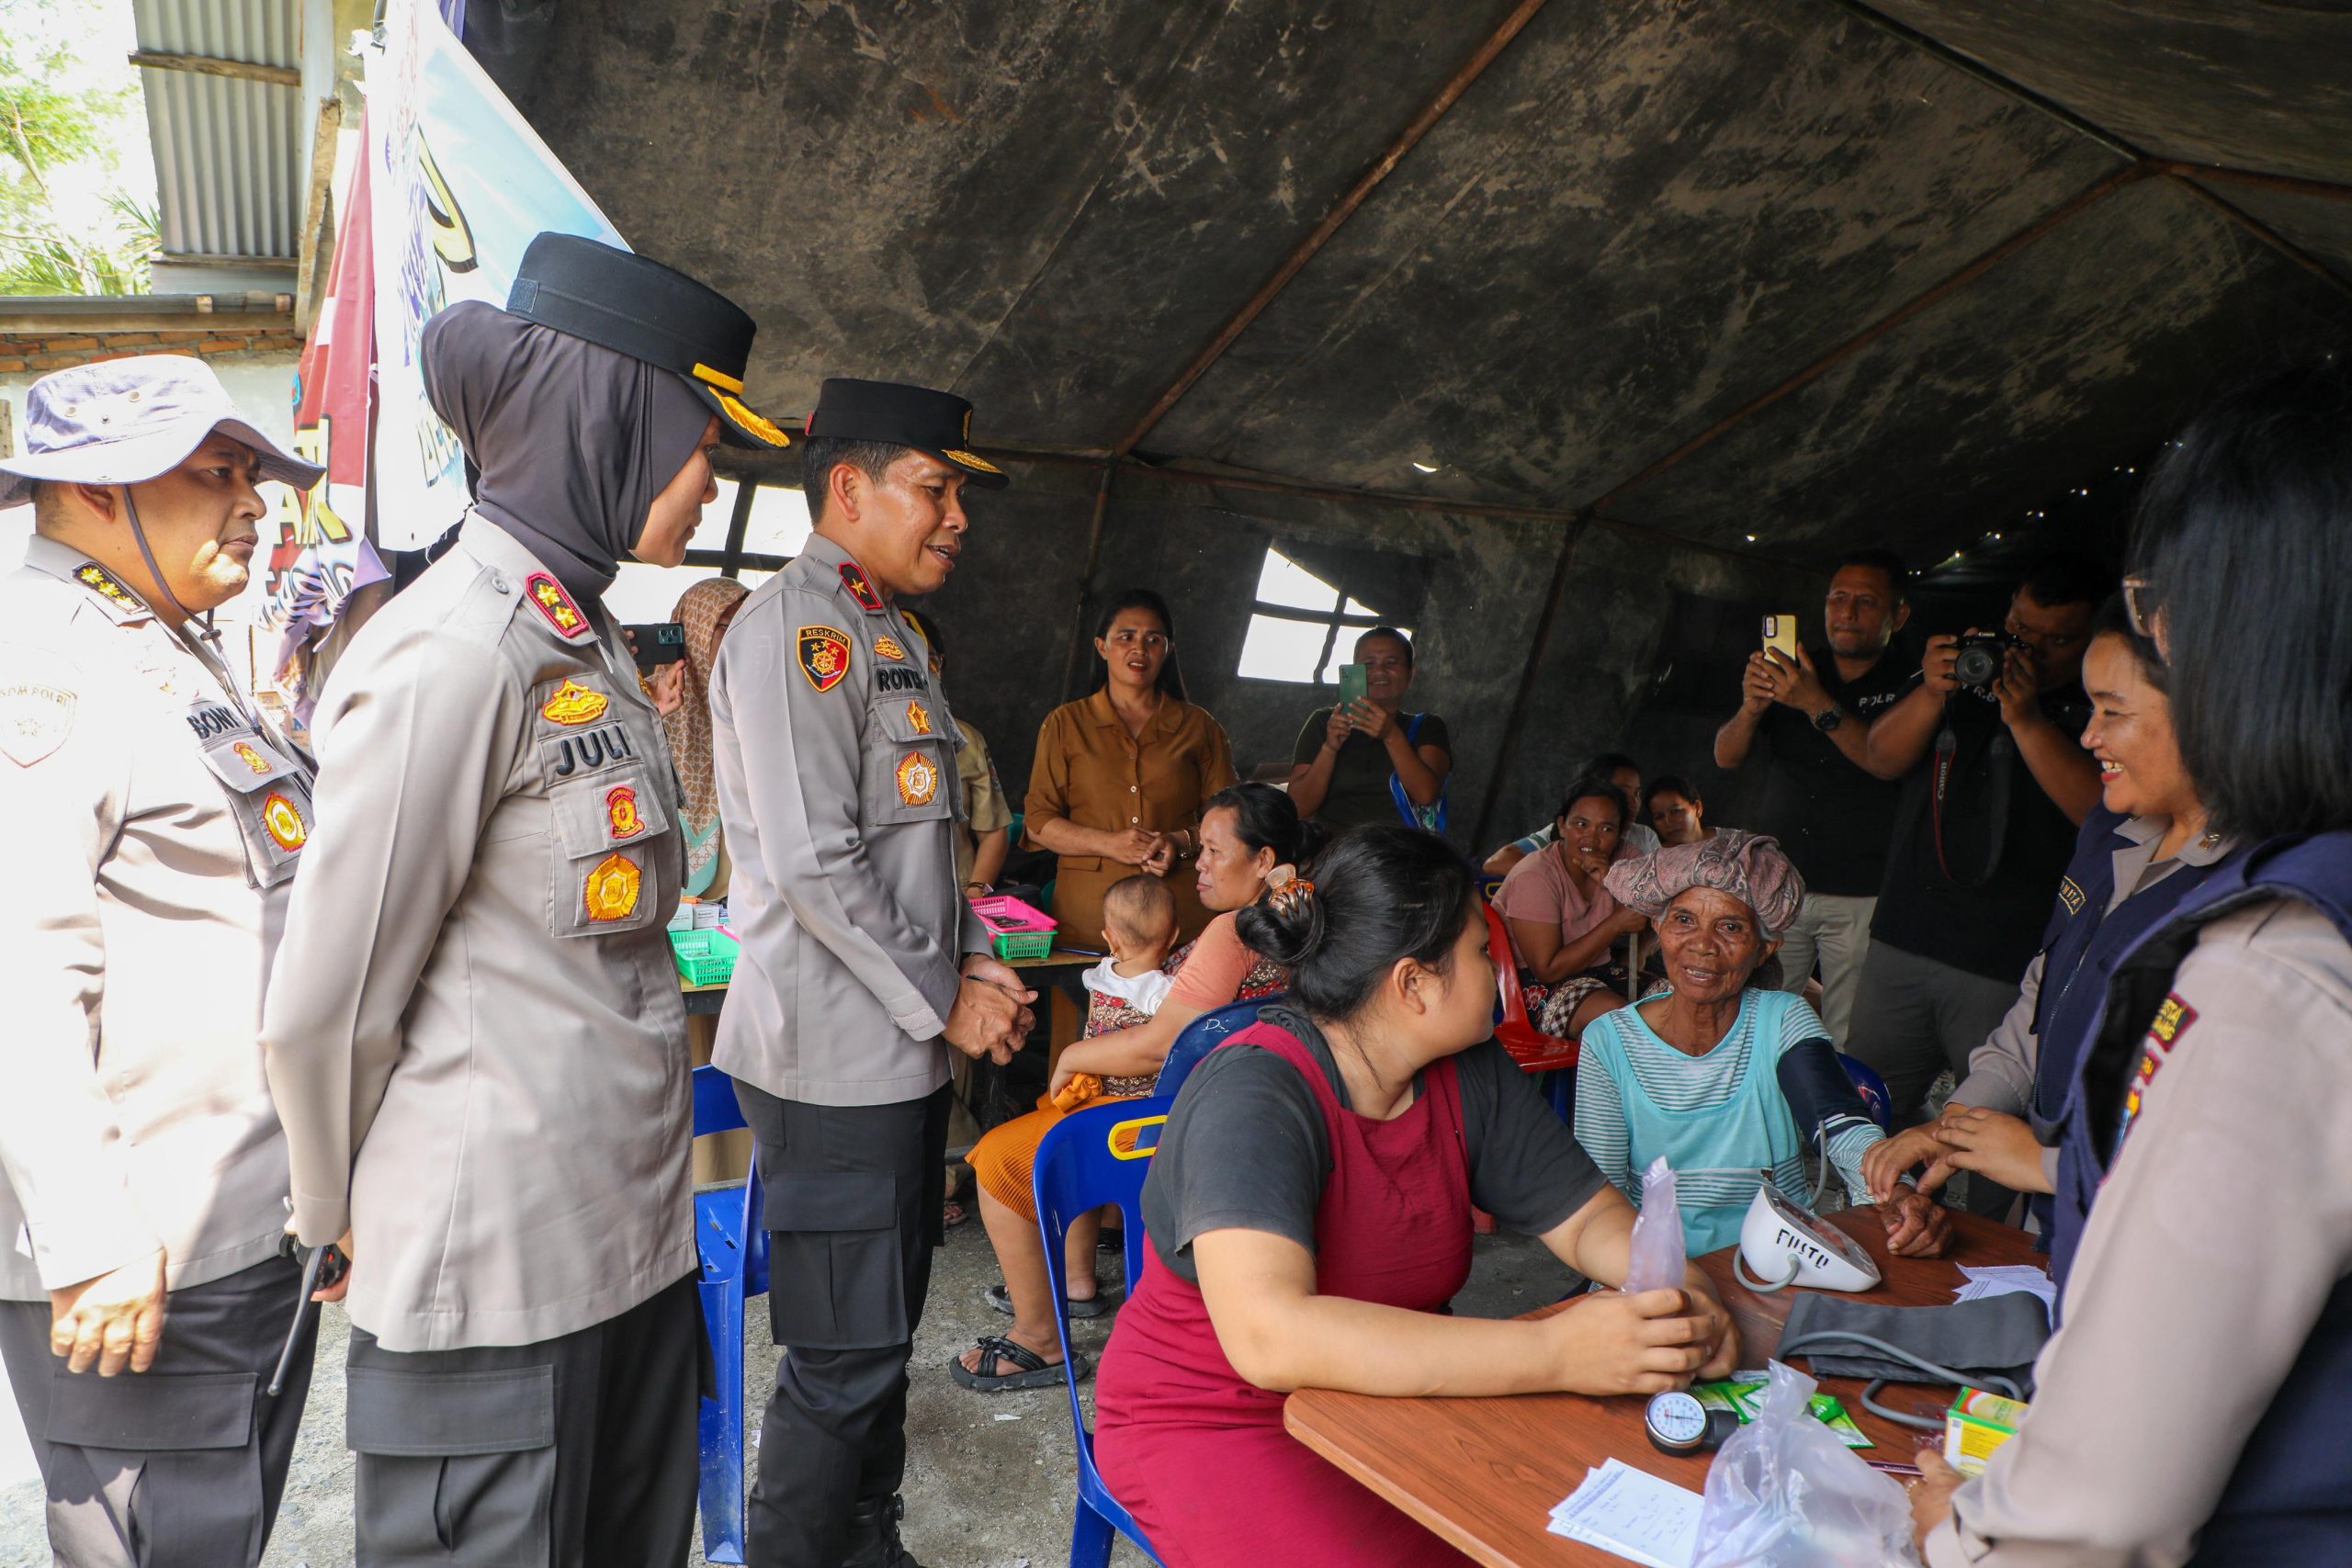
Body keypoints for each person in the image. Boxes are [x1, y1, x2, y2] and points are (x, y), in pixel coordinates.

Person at [260, 235, 790, 1566]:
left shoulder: (585, 634)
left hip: (627, 1249)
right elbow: (331, 1004)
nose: (710, 474)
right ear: (612, 415)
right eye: (697, 435)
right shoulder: (455, 651)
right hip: (492, 1283)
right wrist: (324, 1211)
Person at [1910, 362, 2352, 1565]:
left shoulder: (2276, 965)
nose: (2097, 722)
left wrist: (1948, 1532)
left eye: (2164, 609)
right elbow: (2047, 995)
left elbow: (2094, 1513)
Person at [1092, 828, 1740, 1565]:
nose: (1500, 970)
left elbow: (1588, 1214)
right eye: (1478, 951)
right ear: (1413, 983)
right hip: (1215, 1419)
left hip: (1393, 1391)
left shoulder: (1467, 1068)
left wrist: (1674, 1288)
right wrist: (1554, 1350)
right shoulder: (1255, 1091)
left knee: (1577, 1529)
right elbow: (1272, 1336)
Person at [0, 357, 324, 1568]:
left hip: (227, 1226)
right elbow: (17, 972)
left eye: (250, 474)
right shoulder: (46, 667)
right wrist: (88, 1235)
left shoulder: (160, 647)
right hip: (143, 1256)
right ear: (93, 488)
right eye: (216, 472)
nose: (252, 503)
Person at [707, 376, 1036, 1568]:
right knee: (840, 1358)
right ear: (850, 486)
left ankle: (863, 1540)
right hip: (827, 1061)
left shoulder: (888, 631)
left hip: (892, 1055)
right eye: (936, 488)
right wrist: (946, 990)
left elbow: (927, 857)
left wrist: (981, 963)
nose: (958, 517)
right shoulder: (797, 630)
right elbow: (812, 861)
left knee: (878, 1340)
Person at [1861, 599, 2230, 1247]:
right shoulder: (2109, 834)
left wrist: (2042, 1163)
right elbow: (2043, 998)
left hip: (2153, 1251)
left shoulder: (2252, 899)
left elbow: (2228, 1162)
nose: (2089, 736)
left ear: (2209, 715)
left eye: (2112, 712)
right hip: (2059, 1232)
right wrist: (1955, 1127)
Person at [955, 783, 1299, 1393]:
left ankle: (1040, 1337)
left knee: (996, 1160)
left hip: (1161, 1118)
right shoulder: (1297, 922)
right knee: (1049, 1119)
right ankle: (1074, 1278)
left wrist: (1074, 1055)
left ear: (1265, 860)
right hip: (1234, 1110)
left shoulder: (1233, 933)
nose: (1200, 862)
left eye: (1216, 851)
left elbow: (1155, 1043)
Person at [1572, 831, 1951, 1257]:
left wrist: (1896, 1193)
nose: (1702, 944)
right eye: (1683, 920)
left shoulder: (1781, 1020)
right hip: (1655, 1266)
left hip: (1777, 1262)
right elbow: (1599, 1193)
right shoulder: (1609, 1041)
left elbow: (1839, 1125)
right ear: (1658, 929)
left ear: (1765, 949)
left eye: (1730, 927)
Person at [1846, 555, 2106, 1134]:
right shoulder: (1960, 677)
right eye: (2020, 631)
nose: (2029, 651)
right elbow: (1880, 757)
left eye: (2056, 640)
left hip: (2007, 961)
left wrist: (2027, 719)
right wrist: (1933, 691)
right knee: (1863, 1118)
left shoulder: (2100, 710)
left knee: (1987, 1136)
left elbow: (2103, 814)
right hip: (1905, 935)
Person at [1712, 551, 1912, 1046]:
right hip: (1784, 882)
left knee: (1849, 1031)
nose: (1847, 613)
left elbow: (1885, 762)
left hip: (1865, 888)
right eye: (1838, 599)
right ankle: (1764, 1117)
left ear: (1898, 615)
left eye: (1866, 602)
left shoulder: (1913, 683)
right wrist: (1751, 708)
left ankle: (1840, 1122)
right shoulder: (1799, 668)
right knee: (1756, 1015)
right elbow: (1726, 756)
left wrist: (1815, 703)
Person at [1025, 589, 1236, 951]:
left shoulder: (1199, 727)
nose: (1140, 648)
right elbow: (1038, 822)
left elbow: (1231, 820)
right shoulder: (1065, 724)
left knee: (1181, 1007)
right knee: (1084, 1006)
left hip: (1181, 920)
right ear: (1102, 646)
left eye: (1153, 639)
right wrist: (1108, 844)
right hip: (1089, 921)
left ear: (1167, 650)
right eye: (1126, 637)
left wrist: (1177, 841)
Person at [1495, 770, 1653, 1039]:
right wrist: (1616, 922)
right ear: (1562, 825)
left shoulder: (1623, 856)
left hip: (1599, 970)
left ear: (1619, 833)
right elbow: (1547, 968)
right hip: (1531, 987)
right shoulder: (1535, 876)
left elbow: (1656, 903)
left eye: (1606, 828)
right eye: (1581, 824)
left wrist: (1612, 880)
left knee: (1676, 1000)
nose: (1592, 837)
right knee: (1616, 1017)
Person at [1285, 625, 1453, 832]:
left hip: (1397, 851)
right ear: (1353, 672)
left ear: (1411, 674)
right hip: (1331, 850)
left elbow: (1426, 794)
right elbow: (1298, 808)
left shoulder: (1427, 726)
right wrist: (1329, 748)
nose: (1379, 671)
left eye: (1392, 663)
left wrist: (1391, 735)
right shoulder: (1324, 722)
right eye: (1368, 663)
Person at [649, 574, 750, 897]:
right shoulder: (645, 708)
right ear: (697, 629)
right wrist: (651, 717)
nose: (744, 637)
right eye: (729, 625)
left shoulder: (758, 709)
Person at [900, 607, 1010, 897]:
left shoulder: (966, 740)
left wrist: (975, 891)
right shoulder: (858, 737)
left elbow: (994, 831)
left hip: (955, 895)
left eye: (927, 659)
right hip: (882, 896)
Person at [1483, 750, 1661, 874]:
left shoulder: (1644, 838)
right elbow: (1497, 863)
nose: (1633, 802)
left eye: (1637, 793)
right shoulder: (1567, 831)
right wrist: (1567, 877)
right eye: (1623, 791)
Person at [1644, 774, 1717, 848]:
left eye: (1675, 811)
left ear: (1697, 808)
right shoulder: (1657, 857)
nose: (1668, 822)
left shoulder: (1727, 842)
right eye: (1659, 817)